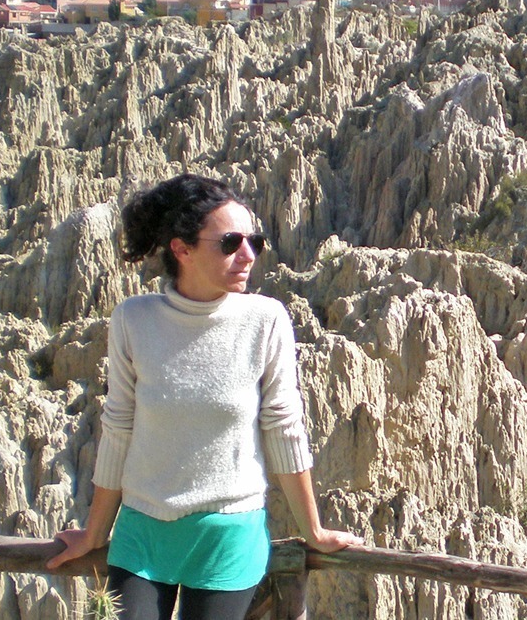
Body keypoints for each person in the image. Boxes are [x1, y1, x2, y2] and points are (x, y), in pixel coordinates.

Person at [48, 173, 361, 619]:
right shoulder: (133, 320)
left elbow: (284, 427)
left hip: (228, 535)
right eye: (230, 242)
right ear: (182, 249)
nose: (247, 255)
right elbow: (118, 426)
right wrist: (95, 532)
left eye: (255, 240)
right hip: (142, 534)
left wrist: (314, 530)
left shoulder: (266, 320)